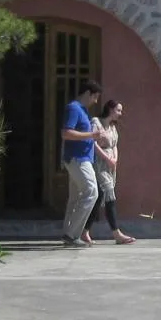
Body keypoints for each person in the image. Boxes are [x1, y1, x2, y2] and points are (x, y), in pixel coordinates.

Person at [82, 100, 136, 245]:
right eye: (118, 110)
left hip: (110, 165)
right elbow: (92, 142)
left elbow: (115, 145)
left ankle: (84, 230)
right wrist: (106, 158)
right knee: (110, 196)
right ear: (111, 109)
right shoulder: (96, 122)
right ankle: (116, 233)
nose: (120, 113)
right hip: (99, 164)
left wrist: (115, 160)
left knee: (98, 197)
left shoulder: (112, 127)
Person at [60, 81, 104, 248]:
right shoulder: (73, 108)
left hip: (82, 158)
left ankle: (68, 233)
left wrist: (92, 136)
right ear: (87, 93)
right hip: (78, 159)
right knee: (91, 192)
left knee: (76, 197)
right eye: (95, 97)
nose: (96, 101)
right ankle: (72, 235)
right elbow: (66, 132)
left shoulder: (83, 111)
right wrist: (92, 134)